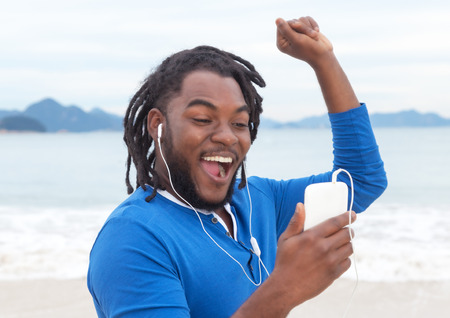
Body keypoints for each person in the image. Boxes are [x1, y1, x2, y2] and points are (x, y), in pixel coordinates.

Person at [88, 16, 387, 317]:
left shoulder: (259, 200)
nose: (227, 136)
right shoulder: (132, 238)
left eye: (240, 123)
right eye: (203, 119)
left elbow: (360, 180)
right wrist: (285, 290)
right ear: (158, 125)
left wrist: (323, 60)